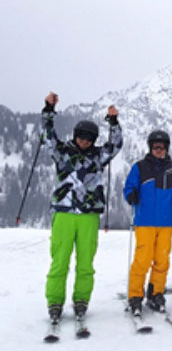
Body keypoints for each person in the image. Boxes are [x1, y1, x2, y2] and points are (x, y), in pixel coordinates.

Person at [41, 92, 122, 324]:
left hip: (88, 215)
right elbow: (47, 135)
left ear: (94, 140)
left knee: (86, 263)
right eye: (81, 137)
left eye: (89, 139)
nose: (84, 142)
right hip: (64, 213)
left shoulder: (98, 156)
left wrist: (113, 122)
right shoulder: (62, 152)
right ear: (75, 136)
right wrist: (48, 109)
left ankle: (81, 300)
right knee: (60, 261)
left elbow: (116, 144)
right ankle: (55, 302)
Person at [123, 130, 172, 313]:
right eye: (156, 147)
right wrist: (131, 194)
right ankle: (135, 295)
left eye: (162, 147)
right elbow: (129, 186)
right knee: (142, 259)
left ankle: (156, 292)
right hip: (145, 220)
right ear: (151, 148)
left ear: (166, 148)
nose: (159, 150)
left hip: (167, 221)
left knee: (162, 260)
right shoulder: (140, 167)